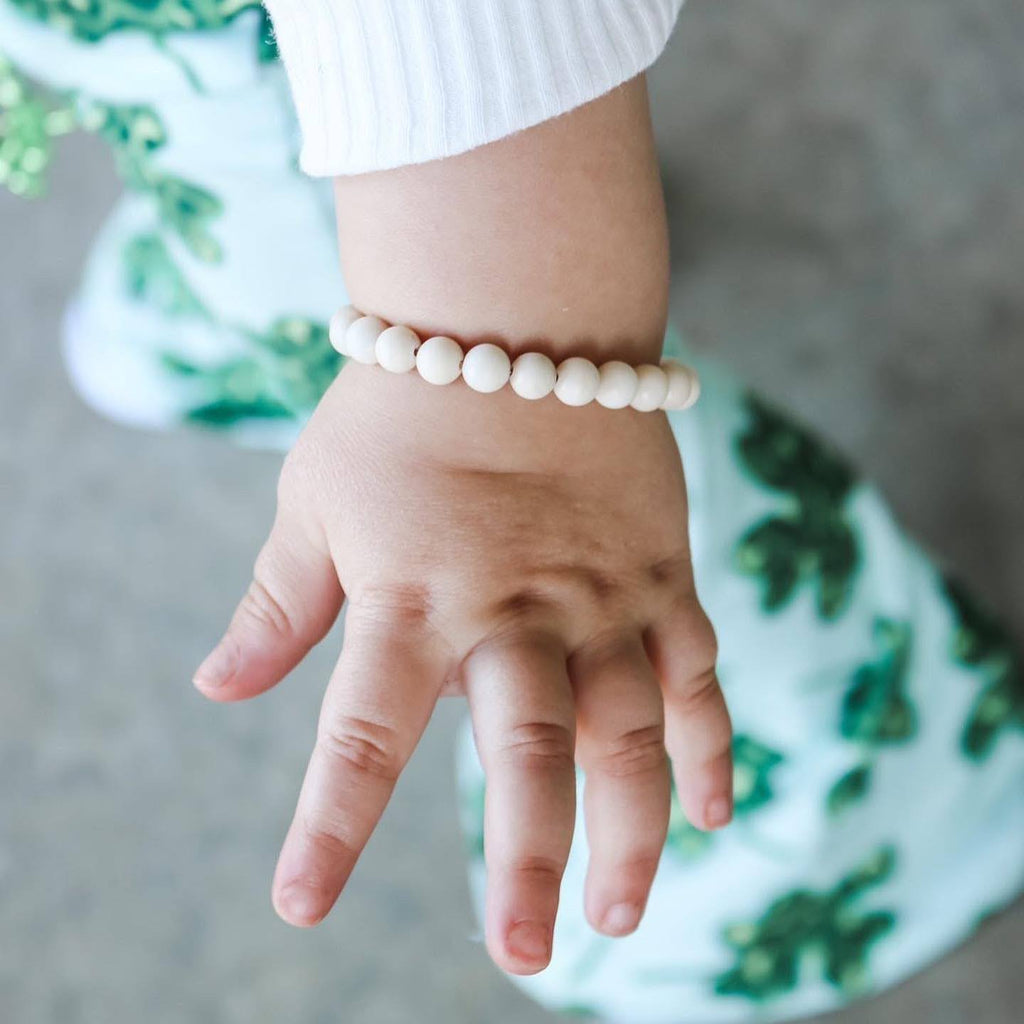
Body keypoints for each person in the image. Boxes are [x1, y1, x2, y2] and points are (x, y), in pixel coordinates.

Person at [2, 2, 1021, 1021]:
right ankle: (265, 256)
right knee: (284, 244)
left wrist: (496, 426)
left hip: (434, 138)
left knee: (586, 533)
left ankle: (901, 792)